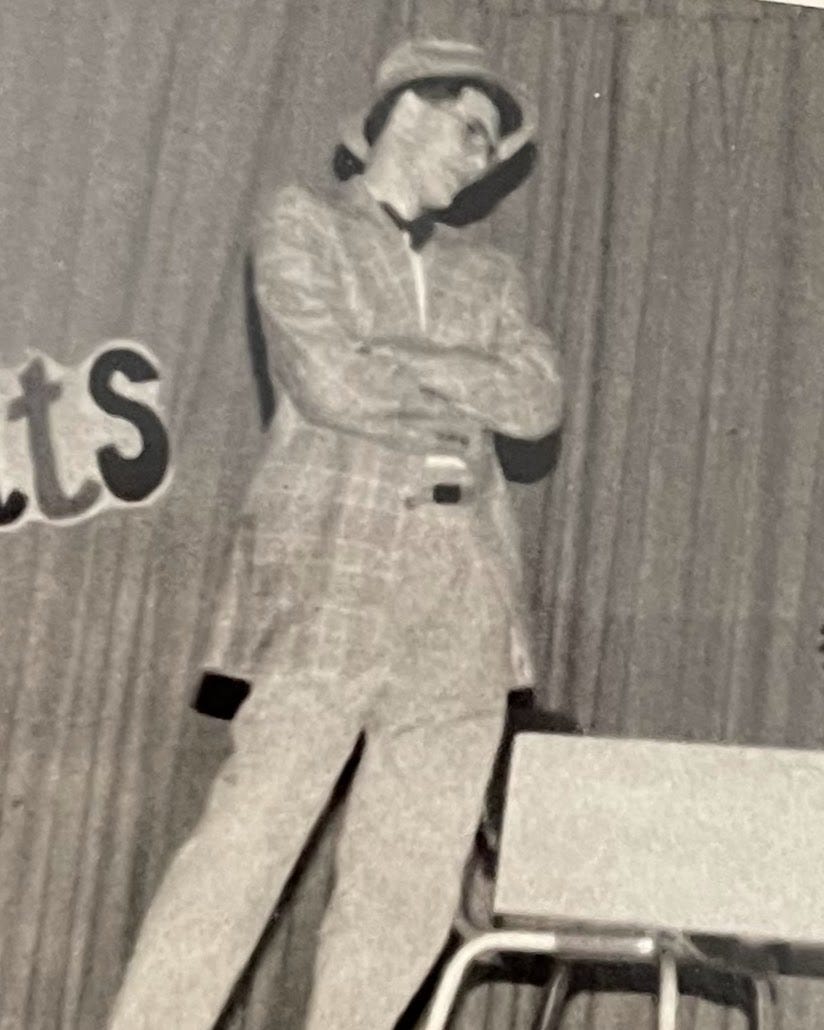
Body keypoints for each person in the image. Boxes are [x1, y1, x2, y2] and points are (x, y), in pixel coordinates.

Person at [107, 37, 563, 1030]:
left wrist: (396, 353)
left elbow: (532, 403)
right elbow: (327, 381)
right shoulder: (301, 222)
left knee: (404, 888)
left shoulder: (492, 276)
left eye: (492, 145)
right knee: (247, 847)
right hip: (331, 579)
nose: (480, 158)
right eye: (469, 129)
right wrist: (452, 385)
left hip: (466, 605)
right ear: (405, 109)